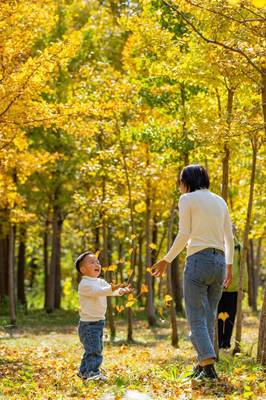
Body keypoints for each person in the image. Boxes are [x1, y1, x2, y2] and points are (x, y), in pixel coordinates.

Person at [151, 164, 234, 380]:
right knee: (207, 317)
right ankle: (201, 365)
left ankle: (209, 368)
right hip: (219, 262)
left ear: (187, 182)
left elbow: (184, 234)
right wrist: (229, 267)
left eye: (180, 181)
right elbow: (229, 238)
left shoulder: (187, 199)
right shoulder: (220, 200)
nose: (179, 186)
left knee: (196, 317)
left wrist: (166, 259)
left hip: (198, 260)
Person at [75, 251, 132, 381]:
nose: (97, 264)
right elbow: (99, 292)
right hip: (88, 325)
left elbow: (109, 290)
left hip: (98, 322)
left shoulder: (100, 281)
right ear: (83, 269)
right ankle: (93, 373)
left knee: (93, 348)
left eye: (98, 262)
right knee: (94, 350)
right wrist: (111, 289)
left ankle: (83, 372)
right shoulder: (85, 284)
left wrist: (122, 291)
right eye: (92, 262)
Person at [218, 233, 248, 349]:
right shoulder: (216, 244)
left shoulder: (238, 247)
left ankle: (226, 343)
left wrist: (244, 288)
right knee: (218, 316)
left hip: (234, 288)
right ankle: (219, 341)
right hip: (218, 287)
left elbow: (243, 268)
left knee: (230, 316)